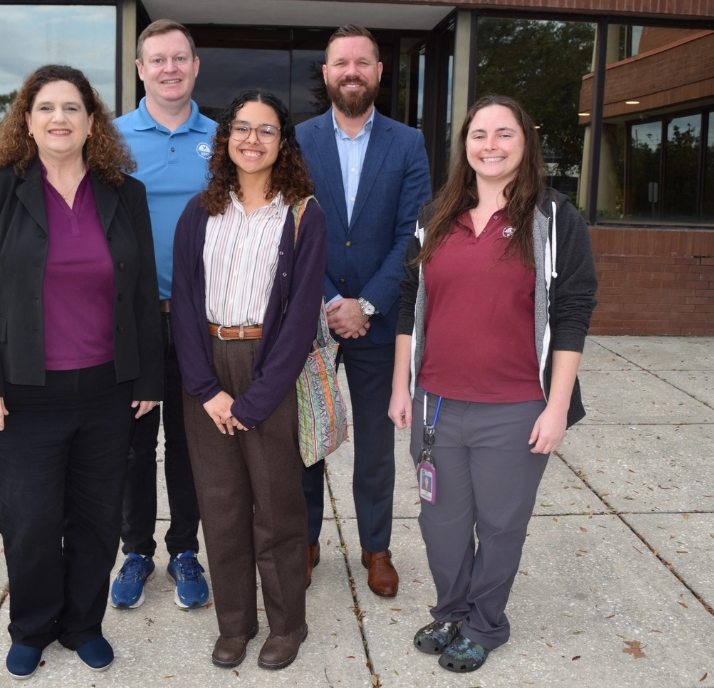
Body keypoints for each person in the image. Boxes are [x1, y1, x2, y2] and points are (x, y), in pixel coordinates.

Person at [0, 64, 163, 680]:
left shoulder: (125, 192)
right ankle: (32, 626)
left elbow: (143, 289)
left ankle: (82, 624)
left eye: (72, 108)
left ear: (92, 121)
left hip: (108, 389)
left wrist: (149, 380)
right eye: (46, 108)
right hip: (22, 392)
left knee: (98, 517)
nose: (59, 119)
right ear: (27, 120)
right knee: (30, 520)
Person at [388, 94, 598, 673]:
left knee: (502, 525)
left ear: (525, 142)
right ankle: (451, 609)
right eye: (479, 134)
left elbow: (574, 312)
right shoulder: (435, 216)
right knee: (441, 525)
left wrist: (557, 408)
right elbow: (410, 302)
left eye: (504, 134)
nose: (490, 145)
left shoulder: (555, 220)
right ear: (464, 145)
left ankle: (486, 623)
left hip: (515, 406)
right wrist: (401, 385)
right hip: (435, 403)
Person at [171, 89, 326, 670]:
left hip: (270, 370)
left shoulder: (304, 214)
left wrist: (258, 398)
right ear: (225, 138)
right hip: (208, 363)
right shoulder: (199, 212)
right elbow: (184, 303)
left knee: (278, 507)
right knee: (221, 505)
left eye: (265, 130)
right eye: (241, 128)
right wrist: (207, 389)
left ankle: (288, 625)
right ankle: (235, 623)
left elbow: (303, 312)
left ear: (282, 142)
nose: (252, 139)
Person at [296, 24, 431, 596]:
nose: (352, 71)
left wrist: (366, 303)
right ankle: (303, 541)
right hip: (310, 320)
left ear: (379, 72)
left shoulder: (408, 143)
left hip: (377, 322)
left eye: (363, 62)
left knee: (376, 449)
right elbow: (292, 222)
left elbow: (413, 234)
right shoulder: (298, 139)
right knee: (306, 442)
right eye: (341, 63)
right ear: (325, 74)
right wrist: (330, 301)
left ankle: (376, 547)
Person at [111, 18, 216, 610]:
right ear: (141, 69)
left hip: (199, 320)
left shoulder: (224, 138)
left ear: (196, 65)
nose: (169, 68)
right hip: (133, 319)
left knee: (188, 443)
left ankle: (183, 548)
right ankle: (134, 551)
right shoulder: (112, 138)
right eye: (158, 59)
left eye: (180, 58)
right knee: (131, 443)